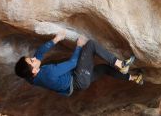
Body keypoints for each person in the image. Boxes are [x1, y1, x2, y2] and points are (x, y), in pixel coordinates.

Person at [15, 31, 143, 96]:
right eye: (31, 60)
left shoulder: (30, 77)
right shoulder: (48, 72)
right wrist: (79, 46)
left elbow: (39, 53)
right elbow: (73, 62)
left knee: (104, 68)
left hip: (78, 84)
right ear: (34, 70)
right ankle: (121, 64)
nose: (33, 57)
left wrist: (56, 39)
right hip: (78, 77)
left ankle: (134, 78)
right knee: (91, 44)